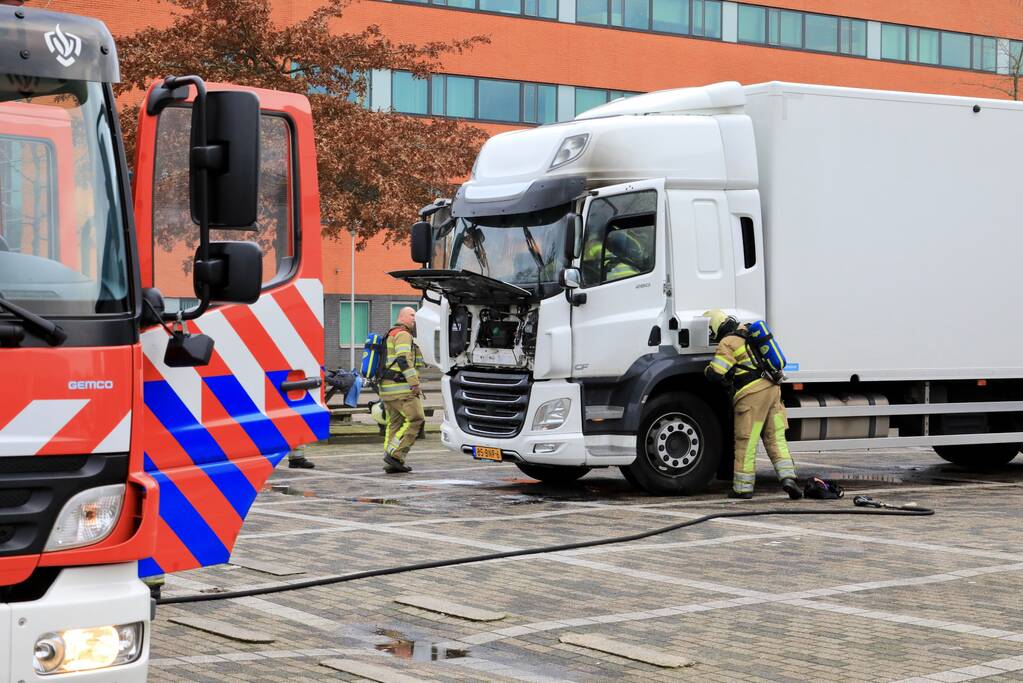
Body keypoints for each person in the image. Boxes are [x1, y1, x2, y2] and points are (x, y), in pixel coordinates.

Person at [703, 309, 802, 501]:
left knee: (746, 442)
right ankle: (789, 479)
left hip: (752, 396)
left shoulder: (728, 342)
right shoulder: (750, 333)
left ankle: (742, 488)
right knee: (775, 439)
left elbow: (716, 373)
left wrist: (707, 369)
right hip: (773, 390)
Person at [379, 307, 425, 474]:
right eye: (412, 315)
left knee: (395, 423)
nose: (415, 318)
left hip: (387, 389)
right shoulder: (403, 334)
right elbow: (403, 359)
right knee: (416, 419)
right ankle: (396, 455)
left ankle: (391, 459)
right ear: (402, 317)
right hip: (402, 389)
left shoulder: (390, 333)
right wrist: (414, 383)